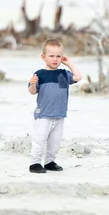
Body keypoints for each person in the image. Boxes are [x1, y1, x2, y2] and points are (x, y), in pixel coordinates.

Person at [27, 38, 82, 173]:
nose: (55, 59)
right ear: (43, 57)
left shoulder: (64, 73)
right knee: (39, 139)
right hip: (44, 114)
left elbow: (78, 77)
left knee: (55, 142)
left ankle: (50, 162)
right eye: (51, 56)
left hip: (59, 114)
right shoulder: (40, 74)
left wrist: (69, 64)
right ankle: (34, 163)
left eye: (58, 56)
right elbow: (32, 92)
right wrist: (33, 83)